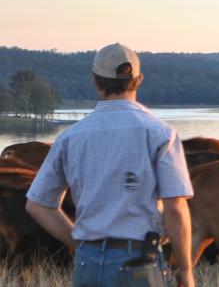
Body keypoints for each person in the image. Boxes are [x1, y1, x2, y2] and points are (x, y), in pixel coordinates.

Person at [25, 43, 195, 287]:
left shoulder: (70, 137)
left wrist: (80, 244)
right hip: (139, 262)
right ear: (139, 79)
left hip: (88, 265)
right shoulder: (160, 134)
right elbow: (175, 208)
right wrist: (186, 270)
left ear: (95, 81)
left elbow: (37, 204)